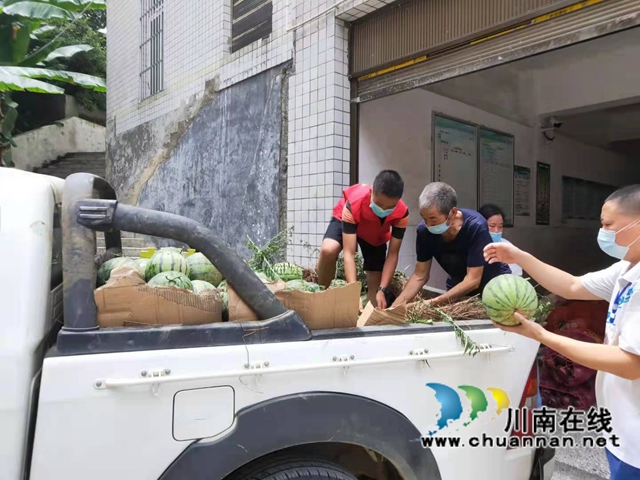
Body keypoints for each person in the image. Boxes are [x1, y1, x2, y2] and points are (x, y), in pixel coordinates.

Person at [484, 185, 640, 479]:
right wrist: (519, 256)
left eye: (608, 225)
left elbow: (631, 364)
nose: (602, 232)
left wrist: (542, 336)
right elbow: (572, 286)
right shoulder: (626, 269)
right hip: (623, 428)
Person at [393, 182, 510, 307]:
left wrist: (431, 303)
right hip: (458, 287)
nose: (428, 224)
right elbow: (420, 275)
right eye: (424, 218)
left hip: (493, 289)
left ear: (453, 213)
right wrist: (395, 306)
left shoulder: (476, 226)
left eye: (433, 219)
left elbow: (473, 280)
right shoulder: (424, 231)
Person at [317, 170, 410, 309]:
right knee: (328, 249)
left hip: (375, 231)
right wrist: (353, 291)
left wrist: (382, 289)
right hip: (348, 218)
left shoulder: (402, 213)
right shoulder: (354, 203)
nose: (383, 209)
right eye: (378, 204)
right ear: (371, 192)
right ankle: (321, 296)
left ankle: (369, 318)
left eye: (389, 207)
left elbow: (392, 254)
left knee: (375, 281)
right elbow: (349, 253)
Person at [478, 203, 523, 276]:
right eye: (492, 226)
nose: (496, 230)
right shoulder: (471, 245)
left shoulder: (506, 246)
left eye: (500, 227)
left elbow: (517, 274)